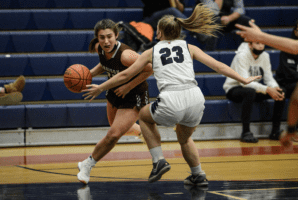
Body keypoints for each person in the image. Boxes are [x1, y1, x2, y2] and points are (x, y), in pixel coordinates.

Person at [82, 4, 260, 185]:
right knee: (184, 138)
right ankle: (198, 174)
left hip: (172, 98)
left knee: (143, 116)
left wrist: (100, 87)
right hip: (196, 99)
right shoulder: (190, 47)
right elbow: (218, 66)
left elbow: (126, 74)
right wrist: (243, 79)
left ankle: (158, 160)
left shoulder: (152, 51)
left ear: (159, 33)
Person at [77, 19, 153, 184]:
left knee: (113, 135)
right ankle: (143, 131)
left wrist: (128, 86)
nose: (106, 41)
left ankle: (87, 164)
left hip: (134, 94)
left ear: (116, 35)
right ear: (97, 38)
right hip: (115, 89)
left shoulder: (126, 55)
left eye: (109, 36)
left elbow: (149, 68)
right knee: (115, 127)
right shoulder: (100, 48)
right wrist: (85, 76)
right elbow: (104, 65)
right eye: (102, 37)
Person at [223, 42, 286, 142]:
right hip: (234, 88)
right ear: (250, 45)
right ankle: (246, 132)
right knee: (250, 92)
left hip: (252, 89)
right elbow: (245, 82)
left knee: (281, 92)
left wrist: (275, 88)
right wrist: (267, 89)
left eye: (262, 43)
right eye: (257, 43)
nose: (261, 46)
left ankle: (275, 131)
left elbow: (269, 78)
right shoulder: (241, 56)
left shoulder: (265, 56)